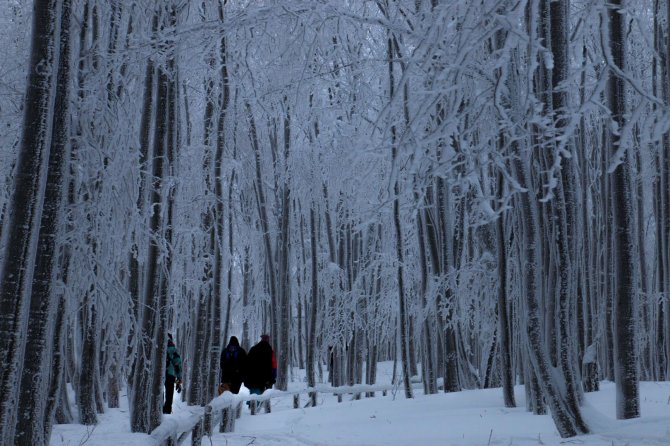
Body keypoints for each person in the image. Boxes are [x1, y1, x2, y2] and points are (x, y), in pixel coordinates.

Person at [163, 333, 183, 414]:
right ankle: (167, 411)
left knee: (159, 392)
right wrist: (179, 381)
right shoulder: (173, 350)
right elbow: (178, 365)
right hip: (170, 374)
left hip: (158, 374)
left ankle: (157, 409)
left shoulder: (157, 346)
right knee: (169, 392)